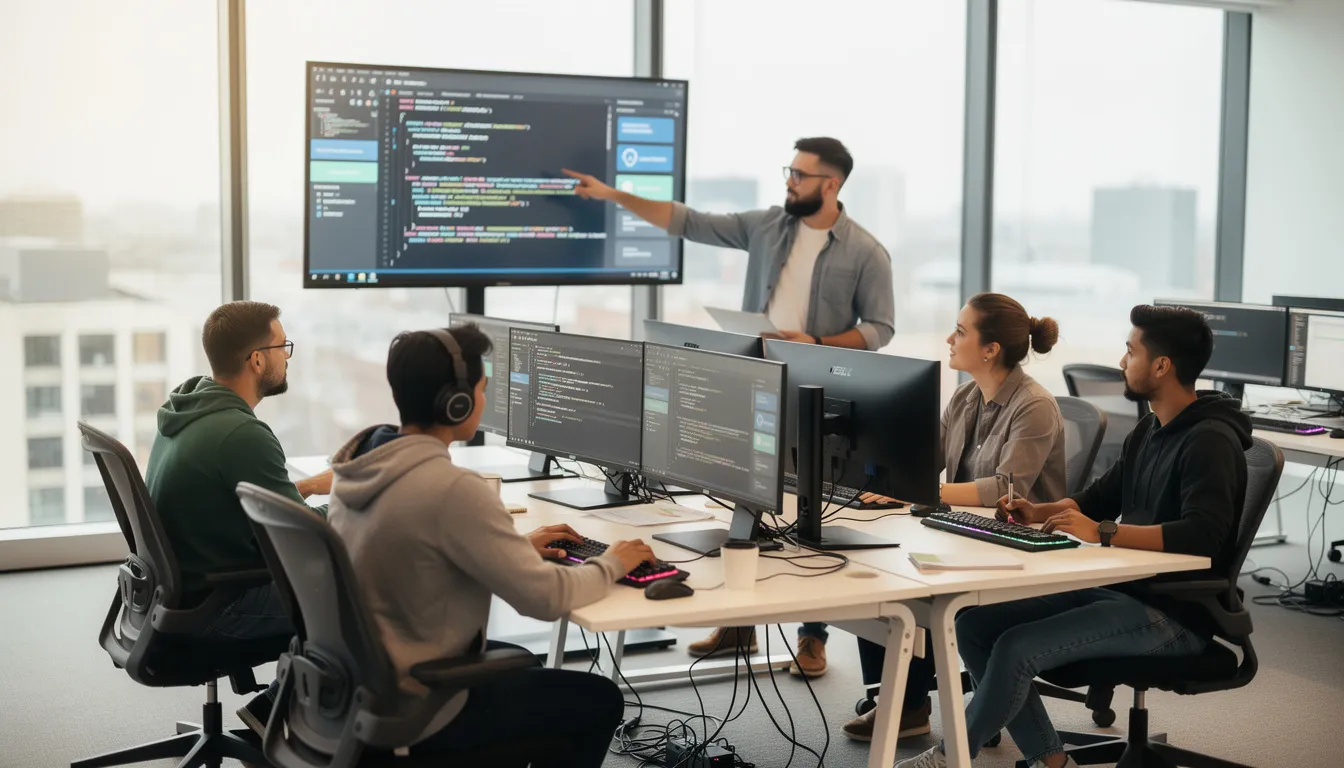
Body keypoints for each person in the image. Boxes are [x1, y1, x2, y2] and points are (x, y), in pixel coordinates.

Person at [567, 136, 895, 674]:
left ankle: (813, 635)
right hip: (755, 378)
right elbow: (688, 221)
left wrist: (819, 345)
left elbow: (879, 329)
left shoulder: (865, 251)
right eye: (788, 169)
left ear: (830, 185)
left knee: (808, 506)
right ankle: (740, 622)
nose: (788, 180)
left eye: (800, 173)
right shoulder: (767, 225)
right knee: (744, 490)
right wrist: (612, 194)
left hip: (814, 388)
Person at [896, 304, 1251, 768]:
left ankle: (948, 758)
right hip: (1121, 591)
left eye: (1131, 351)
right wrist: (1039, 510)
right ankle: (1052, 760)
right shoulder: (1150, 429)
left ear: (1162, 366)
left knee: (1016, 648)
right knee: (973, 625)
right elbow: (1100, 497)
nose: (1122, 362)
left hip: (1176, 611)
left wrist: (1104, 533)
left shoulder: (1209, 441)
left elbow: (1202, 536)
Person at [326, 326, 657, 766]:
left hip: (363, 691)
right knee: (598, 699)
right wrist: (613, 562)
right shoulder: (451, 489)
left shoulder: (364, 464)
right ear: (456, 401)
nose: (484, 399)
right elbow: (546, 598)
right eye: (482, 388)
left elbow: (416, 546)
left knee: (524, 664)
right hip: (423, 706)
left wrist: (511, 546)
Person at [839, 293, 1068, 742]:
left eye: (961, 331)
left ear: (991, 349)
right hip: (961, 534)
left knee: (907, 582)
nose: (950, 338)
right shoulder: (965, 397)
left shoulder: (1034, 405)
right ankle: (904, 702)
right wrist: (882, 471)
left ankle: (906, 705)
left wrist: (926, 491)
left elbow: (1006, 489)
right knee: (873, 568)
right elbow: (927, 460)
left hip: (1019, 547)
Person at [144, 300, 333, 736]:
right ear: (257, 359)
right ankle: (278, 712)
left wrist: (301, 488)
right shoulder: (242, 434)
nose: (287, 355)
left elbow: (222, 496)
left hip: (176, 592)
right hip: (217, 604)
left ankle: (276, 707)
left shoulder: (190, 406)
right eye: (283, 345)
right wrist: (362, 503)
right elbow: (304, 537)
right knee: (353, 600)